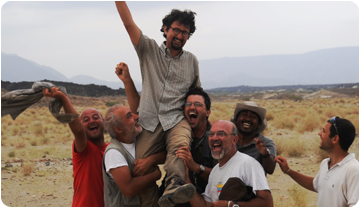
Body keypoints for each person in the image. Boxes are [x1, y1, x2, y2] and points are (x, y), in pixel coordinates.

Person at [115, 2, 200, 206]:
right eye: (176, 30)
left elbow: (197, 95)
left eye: (185, 33)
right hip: (148, 121)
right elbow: (128, 25)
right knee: (140, 169)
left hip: (177, 119)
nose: (180, 36)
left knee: (180, 147)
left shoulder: (192, 61)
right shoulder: (149, 50)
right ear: (165, 29)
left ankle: (174, 184)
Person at [115, 62, 216, 196]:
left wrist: (196, 168)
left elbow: (222, 176)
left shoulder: (215, 138)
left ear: (208, 112)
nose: (192, 107)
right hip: (174, 199)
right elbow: (142, 115)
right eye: (188, 104)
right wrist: (150, 160)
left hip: (204, 198)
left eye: (197, 104)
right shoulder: (176, 130)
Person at [43, 87, 108, 207]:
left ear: (103, 121)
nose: (91, 121)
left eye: (95, 117)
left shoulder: (112, 149)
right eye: (85, 120)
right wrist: (63, 97)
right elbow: (78, 130)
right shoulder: (84, 149)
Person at [187, 120, 273, 207]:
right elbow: (205, 206)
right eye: (211, 134)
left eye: (221, 134)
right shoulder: (215, 171)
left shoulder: (248, 164)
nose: (214, 138)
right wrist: (186, 180)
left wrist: (232, 205)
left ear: (234, 139)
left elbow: (268, 203)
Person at [275, 116, 358, 207]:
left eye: (323, 131)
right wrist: (288, 171)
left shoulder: (353, 170)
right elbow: (315, 184)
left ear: (335, 139)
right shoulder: (325, 163)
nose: (319, 133)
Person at [102, 105, 163, 206]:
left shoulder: (139, 140)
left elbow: (167, 154)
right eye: (129, 116)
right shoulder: (114, 153)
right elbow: (128, 190)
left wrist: (151, 160)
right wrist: (155, 175)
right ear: (118, 129)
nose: (137, 117)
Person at [231, 101, 276, 174]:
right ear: (236, 120)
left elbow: (270, 170)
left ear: (259, 124)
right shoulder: (227, 140)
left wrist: (265, 154)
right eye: (244, 115)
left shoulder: (266, 143)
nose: (248, 119)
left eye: (253, 117)